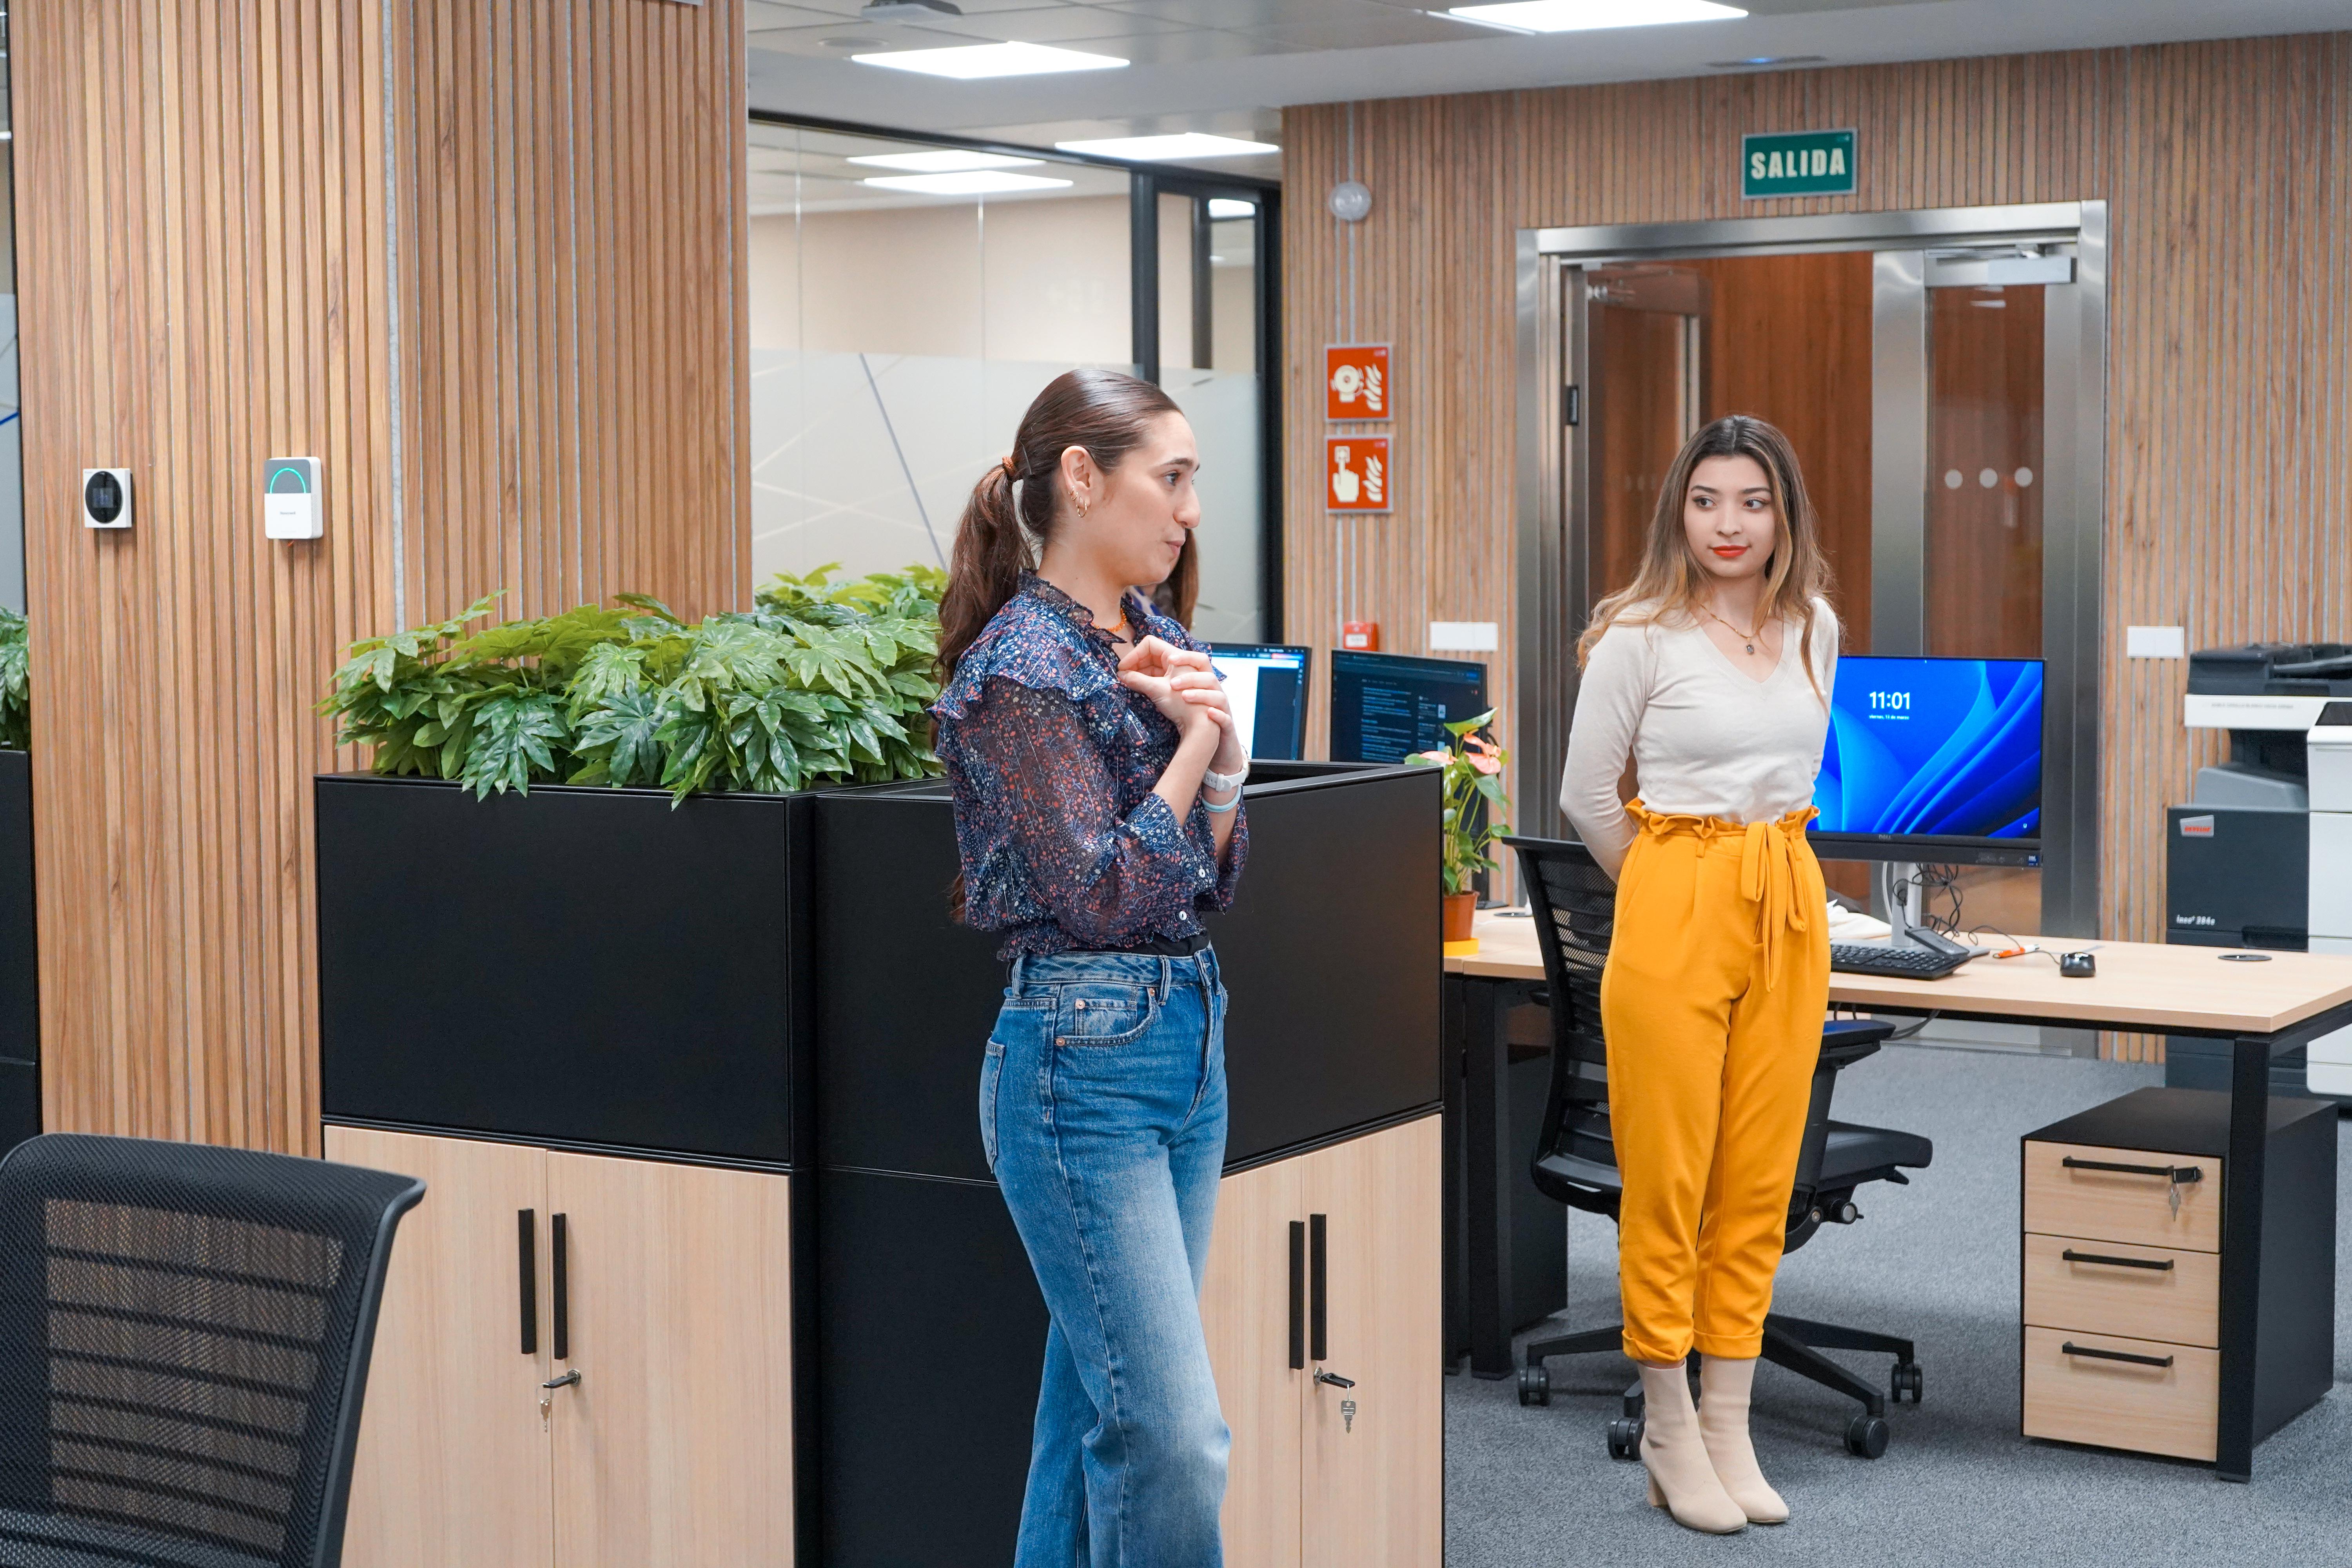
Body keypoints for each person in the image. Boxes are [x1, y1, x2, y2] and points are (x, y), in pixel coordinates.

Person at [931, 368, 1249, 1567]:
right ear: (1081, 478)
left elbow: (1211, 878)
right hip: (1079, 1061)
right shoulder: (1021, 670)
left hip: (1187, 1039)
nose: (1189, 509)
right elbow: (1108, 891)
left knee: (1089, 1420)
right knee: (1173, 1436)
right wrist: (1202, 743)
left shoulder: (1151, 637)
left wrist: (1216, 766)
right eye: (1170, 479)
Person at [1557, 414, 1840, 1535]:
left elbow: (1795, 771)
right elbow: (1587, 798)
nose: (1731, 525)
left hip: (1789, 896)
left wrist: (1750, 887)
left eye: (1754, 502)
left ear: (1785, 516)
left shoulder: (1815, 624)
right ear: (1680, 512)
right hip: (1678, 890)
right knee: (1670, 1180)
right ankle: (1669, 1426)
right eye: (1709, 501)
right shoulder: (1640, 634)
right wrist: (1676, 888)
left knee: (1759, 1179)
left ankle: (1732, 1417)